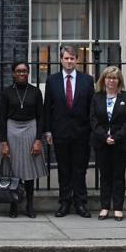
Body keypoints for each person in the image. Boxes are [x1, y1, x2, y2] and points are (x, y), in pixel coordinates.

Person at [43, 45, 94, 218]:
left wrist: (91, 131)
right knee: (63, 169)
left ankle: (81, 202)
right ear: (61, 59)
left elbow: (91, 108)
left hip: (82, 133)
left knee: (80, 169)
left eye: (72, 58)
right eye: (66, 58)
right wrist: (48, 131)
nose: (69, 61)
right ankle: (64, 202)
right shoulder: (52, 80)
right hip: (60, 132)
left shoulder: (87, 80)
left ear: (77, 60)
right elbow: (47, 108)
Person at [0, 61, 47, 218]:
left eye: (24, 71)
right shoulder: (7, 92)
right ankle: (13, 205)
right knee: (13, 169)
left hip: (30, 130)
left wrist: (38, 139)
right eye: (18, 71)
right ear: (13, 73)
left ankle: (30, 205)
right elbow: (1, 118)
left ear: (28, 73)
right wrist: (3, 142)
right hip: (12, 129)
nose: (22, 74)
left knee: (28, 170)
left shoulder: (35, 92)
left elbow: (41, 117)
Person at [90, 66, 126, 221]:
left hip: (120, 143)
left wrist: (116, 137)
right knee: (105, 175)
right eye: (108, 77)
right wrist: (104, 137)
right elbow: (93, 119)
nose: (111, 80)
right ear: (104, 79)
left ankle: (118, 208)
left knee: (118, 175)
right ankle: (104, 207)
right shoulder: (97, 97)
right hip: (101, 143)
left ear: (119, 80)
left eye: (114, 78)